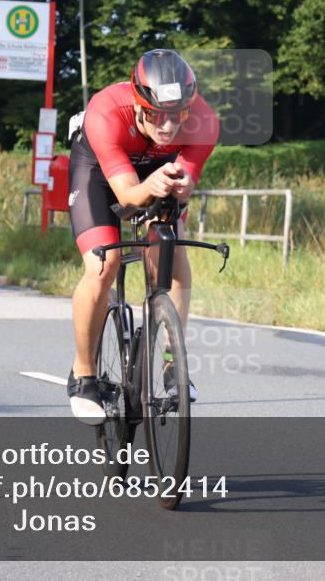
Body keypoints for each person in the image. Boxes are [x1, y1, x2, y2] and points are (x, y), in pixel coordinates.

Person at [67, 49, 220, 424]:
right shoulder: (106, 112)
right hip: (101, 174)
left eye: (178, 115)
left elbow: (183, 186)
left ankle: (172, 365)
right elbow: (128, 198)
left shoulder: (204, 120)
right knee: (104, 265)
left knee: (170, 249)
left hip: (157, 169)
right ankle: (83, 375)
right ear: (138, 104)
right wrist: (147, 185)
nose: (168, 127)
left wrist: (180, 185)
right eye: (156, 115)